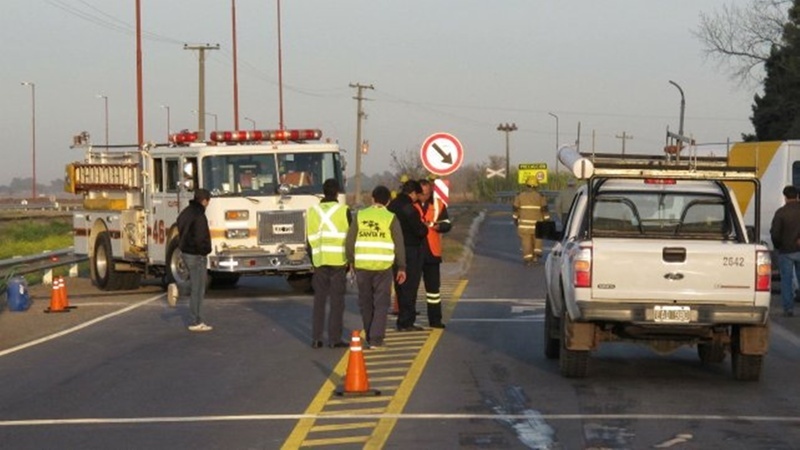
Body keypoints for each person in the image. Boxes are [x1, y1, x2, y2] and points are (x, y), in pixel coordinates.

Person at [345, 186, 407, 348]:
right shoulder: (391, 217)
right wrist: (401, 266)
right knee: (381, 303)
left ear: (372, 199)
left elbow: (350, 241)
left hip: (362, 266)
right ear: (388, 201)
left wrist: (351, 261)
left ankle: (369, 333)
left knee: (366, 302)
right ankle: (376, 338)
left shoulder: (360, 215)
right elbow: (399, 244)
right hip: (383, 267)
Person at [306, 179, 352, 349]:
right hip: (338, 261)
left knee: (319, 300)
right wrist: (350, 261)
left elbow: (309, 240)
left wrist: (314, 260)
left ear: (323, 192)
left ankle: (316, 338)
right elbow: (350, 238)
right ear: (337, 193)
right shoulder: (343, 210)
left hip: (319, 261)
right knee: (337, 301)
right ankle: (334, 339)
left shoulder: (313, 211)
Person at [168, 188, 213, 331]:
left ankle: (179, 289)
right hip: (197, 254)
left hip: (185, 252)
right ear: (205, 200)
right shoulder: (199, 215)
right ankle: (196, 321)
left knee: (195, 284)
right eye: (208, 201)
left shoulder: (186, 212)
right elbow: (200, 237)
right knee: (199, 288)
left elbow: (179, 223)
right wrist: (205, 250)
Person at [388, 179, 428, 331]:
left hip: (394, 250)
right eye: (417, 194)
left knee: (400, 285)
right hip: (411, 250)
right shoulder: (409, 208)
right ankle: (407, 321)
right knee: (411, 286)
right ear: (412, 193)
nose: (418, 198)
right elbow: (419, 230)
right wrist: (424, 228)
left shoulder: (391, 206)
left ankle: (402, 319)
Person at [416, 179, 452, 329]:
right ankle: (408, 319)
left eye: (427, 193)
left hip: (432, 251)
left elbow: (447, 224)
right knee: (411, 288)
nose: (424, 196)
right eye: (421, 194)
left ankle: (435, 320)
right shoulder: (411, 204)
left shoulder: (438, 204)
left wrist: (439, 226)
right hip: (415, 250)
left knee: (433, 290)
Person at [770, 185, 800, 317]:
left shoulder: (781, 212)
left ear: (785, 197)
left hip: (786, 251)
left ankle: (788, 308)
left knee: (786, 280)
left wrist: (778, 245)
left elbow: (775, 233)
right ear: (797, 196)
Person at [513, 177, 550, 265]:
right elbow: (544, 209)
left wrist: (515, 219)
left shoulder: (520, 196)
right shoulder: (540, 196)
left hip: (524, 225)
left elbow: (515, 209)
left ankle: (528, 259)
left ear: (527, 185)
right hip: (538, 224)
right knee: (537, 239)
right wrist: (547, 220)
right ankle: (536, 255)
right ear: (536, 186)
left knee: (526, 242)